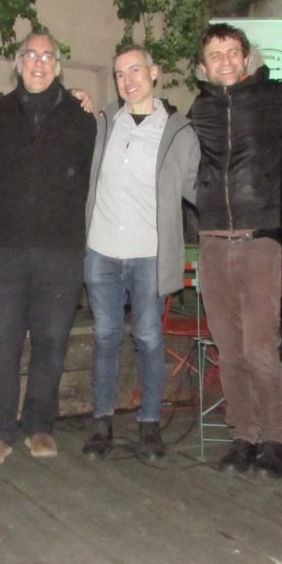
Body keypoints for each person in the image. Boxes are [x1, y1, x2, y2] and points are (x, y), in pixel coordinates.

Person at [0, 32, 96, 465]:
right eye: (32, 55)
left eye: (48, 57)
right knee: (3, 343)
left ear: (58, 66)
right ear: (19, 62)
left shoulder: (82, 118)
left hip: (61, 252)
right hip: (5, 250)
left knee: (50, 342)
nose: (40, 63)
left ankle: (40, 425)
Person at [81, 45, 199, 461]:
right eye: (119, 73)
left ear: (154, 72)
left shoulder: (179, 132)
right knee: (105, 336)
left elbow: (197, 188)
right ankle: (102, 425)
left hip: (150, 253)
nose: (127, 79)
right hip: (102, 250)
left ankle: (149, 425)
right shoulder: (103, 123)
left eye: (135, 70)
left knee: (149, 338)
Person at [189, 24, 282, 478]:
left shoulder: (276, 99)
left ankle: (275, 439)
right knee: (229, 350)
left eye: (233, 52)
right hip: (212, 242)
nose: (226, 60)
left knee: (260, 351)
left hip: (259, 240)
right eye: (216, 54)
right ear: (203, 66)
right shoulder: (200, 109)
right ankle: (242, 437)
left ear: (247, 56)